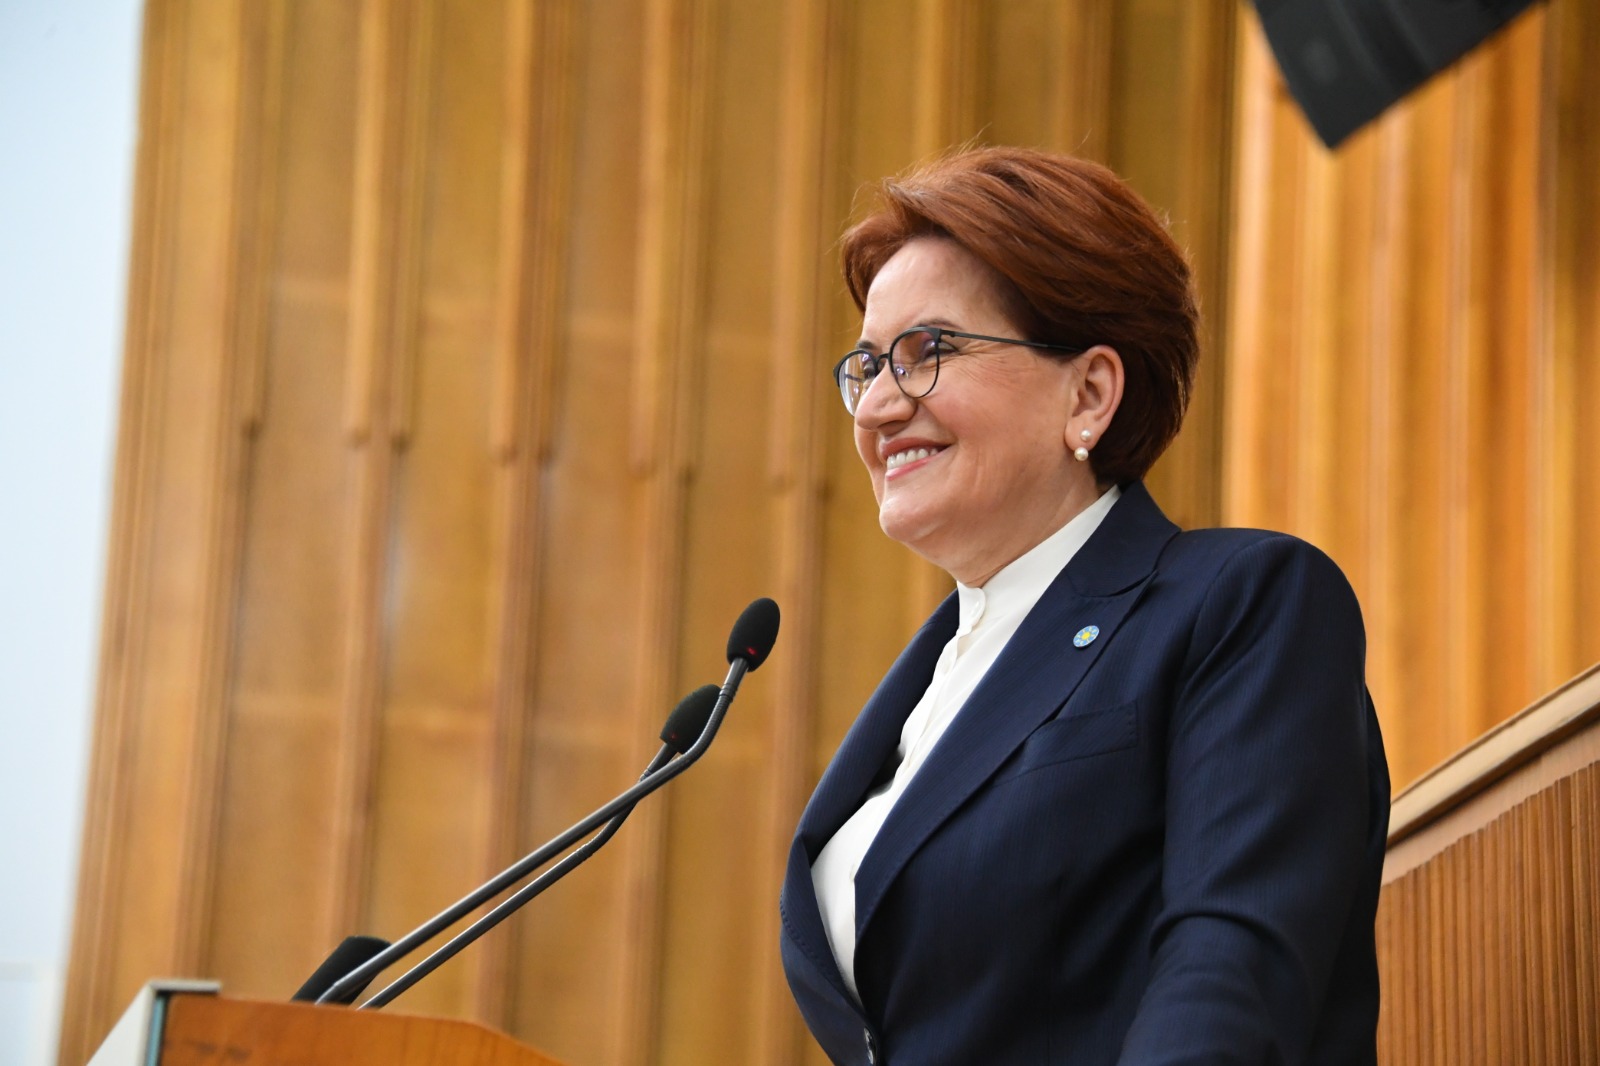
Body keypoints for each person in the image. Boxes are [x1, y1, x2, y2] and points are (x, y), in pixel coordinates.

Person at [778, 147, 1390, 1066]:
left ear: (1090, 394)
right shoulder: (927, 689)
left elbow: (1228, 983)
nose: (876, 409)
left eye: (928, 352)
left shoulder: (1241, 604)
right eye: (867, 366)